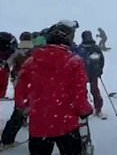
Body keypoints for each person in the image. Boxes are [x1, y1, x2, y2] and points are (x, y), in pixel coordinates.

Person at [15, 21, 93, 155]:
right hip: (66, 123)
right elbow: (79, 92)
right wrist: (84, 109)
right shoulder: (74, 61)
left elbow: (20, 90)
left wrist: (25, 107)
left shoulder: (31, 61)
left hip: (39, 123)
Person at [79, 31, 106, 118]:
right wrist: (100, 70)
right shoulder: (95, 48)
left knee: (84, 92)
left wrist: (99, 69)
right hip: (91, 73)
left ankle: (86, 109)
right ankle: (97, 108)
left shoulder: (81, 48)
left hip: (84, 73)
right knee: (94, 90)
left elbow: (101, 60)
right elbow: (101, 60)